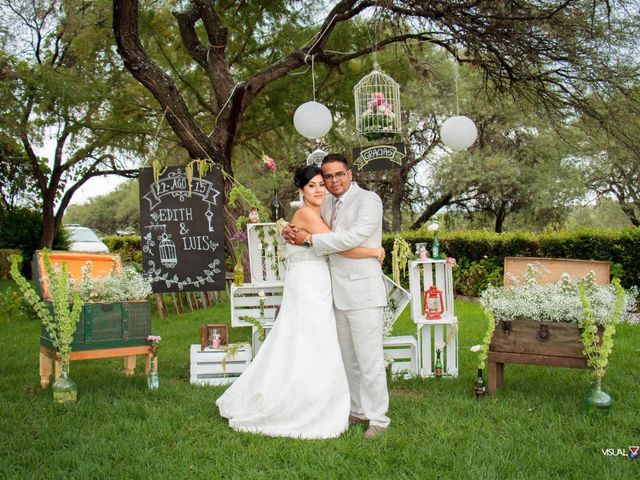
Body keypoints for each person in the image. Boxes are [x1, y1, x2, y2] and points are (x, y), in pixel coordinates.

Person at [216, 165, 384, 439]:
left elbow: (327, 241)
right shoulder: (307, 213)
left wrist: (303, 238)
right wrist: (374, 251)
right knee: (312, 342)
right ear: (301, 191)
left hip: (319, 283)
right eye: (313, 185)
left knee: (307, 342)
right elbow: (338, 245)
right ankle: (306, 401)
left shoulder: (325, 207)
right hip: (310, 285)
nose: (320, 189)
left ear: (348, 175)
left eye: (322, 183)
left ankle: (347, 405)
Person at [283, 153, 389, 440]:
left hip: (363, 292)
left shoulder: (369, 201)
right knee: (348, 359)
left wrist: (308, 239)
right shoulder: (325, 200)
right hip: (333, 292)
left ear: (350, 174)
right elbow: (306, 220)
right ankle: (358, 410)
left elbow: (350, 238)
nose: (332, 181)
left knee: (370, 360)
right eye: (327, 177)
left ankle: (379, 419)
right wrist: (290, 230)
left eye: (338, 175)